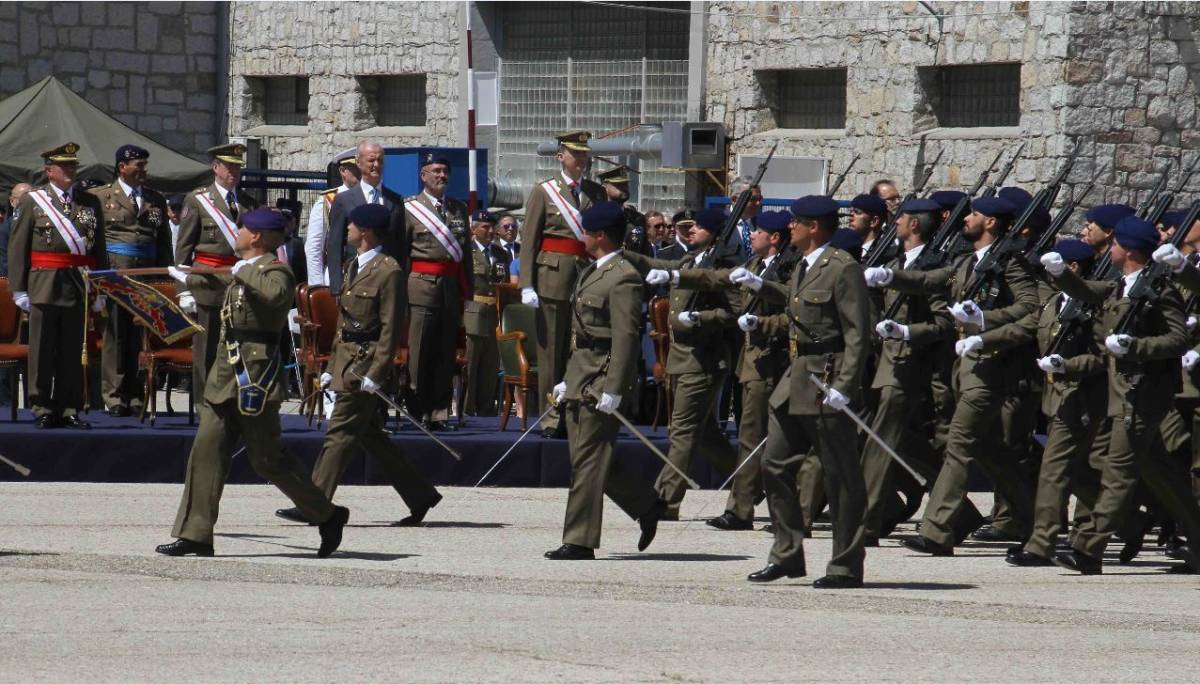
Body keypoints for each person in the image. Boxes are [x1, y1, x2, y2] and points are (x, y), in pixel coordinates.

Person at [157, 207, 349, 557]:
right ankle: (196, 533)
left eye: (242, 228)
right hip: (225, 375)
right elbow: (219, 292)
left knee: (268, 460)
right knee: (206, 452)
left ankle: (327, 514)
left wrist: (242, 272)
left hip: (255, 379)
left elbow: (274, 296)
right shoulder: (241, 271)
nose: (238, 233)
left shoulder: (277, 271)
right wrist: (188, 280)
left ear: (256, 236)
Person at [869, 196, 1039, 556]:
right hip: (965, 370)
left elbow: (1030, 309)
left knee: (958, 446)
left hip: (992, 368)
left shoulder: (1011, 263)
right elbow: (932, 280)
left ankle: (939, 530)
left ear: (991, 222)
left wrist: (984, 322)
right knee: (993, 453)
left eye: (975, 214)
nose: (968, 218)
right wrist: (890, 276)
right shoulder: (966, 260)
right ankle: (1040, 520)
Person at [731, 195, 873, 589]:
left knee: (841, 476)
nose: (788, 227)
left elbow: (857, 333)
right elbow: (799, 308)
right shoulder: (803, 266)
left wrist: (846, 384)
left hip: (827, 378)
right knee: (774, 465)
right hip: (796, 380)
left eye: (796, 222)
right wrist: (765, 288)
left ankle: (845, 564)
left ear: (813, 227)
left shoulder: (842, 268)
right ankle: (787, 553)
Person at [1044, 216, 1200, 573]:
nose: (1109, 249)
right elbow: (1088, 291)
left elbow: (1177, 340)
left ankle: (1089, 548)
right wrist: (1061, 274)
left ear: (1128, 250)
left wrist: (1136, 346)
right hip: (1124, 391)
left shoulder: (1159, 291)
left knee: (1118, 470)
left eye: (1115, 245)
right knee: (1163, 475)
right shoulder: (1122, 287)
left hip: (1143, 393)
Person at [276, 203, 443, 528]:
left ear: (364, 232)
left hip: (364, 366)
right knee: (371, 438)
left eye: (351, 225)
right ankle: (420, 494)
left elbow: (391, 327)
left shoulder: (388, 270)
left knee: (338, 432)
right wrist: (330, 367)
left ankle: (314, 502)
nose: (347, 230)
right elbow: (346, 325)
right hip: (347, 361)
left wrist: (377, 372)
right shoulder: (355, 265)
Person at [544, 201, 667, 560]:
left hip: (602, 378)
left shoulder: (623, 276)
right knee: (593, 459)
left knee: (587, 461)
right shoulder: (591, 270)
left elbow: (626, 337)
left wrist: (615, 388)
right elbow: (580, 334)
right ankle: (647, 504)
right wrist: (567, 379)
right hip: (581, 373)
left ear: (599, 235)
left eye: (585, 230)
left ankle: (579, 540)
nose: (580, 236)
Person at [674, 210, 794, 530]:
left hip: (779, 360)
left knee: (778, 440)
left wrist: (763, 320)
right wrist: (677, 277)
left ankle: (784, 508)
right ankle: (741, 508)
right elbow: (717, 281)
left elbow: (797, 311)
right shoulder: (752, 266)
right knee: (750, 436)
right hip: (754, 362)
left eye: (758, 232)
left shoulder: (789, 269)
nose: (751, 236)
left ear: (775, 239)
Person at [632, 208, 741, 519]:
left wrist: (700, 318)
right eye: (692, 226)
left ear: (717, 235)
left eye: (701, 227)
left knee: (682, 432)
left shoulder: (723, 267)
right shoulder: (690, 260)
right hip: (681, 359)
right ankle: (751, 482)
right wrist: (623, 253)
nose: (692, 231)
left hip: (703, 360)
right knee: (706, 436)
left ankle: (665, 500)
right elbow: (661, 265)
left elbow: (736, 313)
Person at [861, 198, 952, 543]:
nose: (894, 223)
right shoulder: (895, 262)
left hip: (909, 365)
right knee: (901, 442)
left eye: (900, 218)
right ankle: (962, 513)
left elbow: (943, 322)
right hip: (885, 363)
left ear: (914, 224)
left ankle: (867, 521)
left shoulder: (932, 266)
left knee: (880, 442)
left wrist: (907, 332)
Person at [7, 142, 106, 429]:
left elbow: (98, 249)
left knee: (72, 350)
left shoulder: (90, 202)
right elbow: (18, 248)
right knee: (42, 350)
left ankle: (69, 407)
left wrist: (99, 288)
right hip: (43, 284)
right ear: (49, 171)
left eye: (73, 165)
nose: (71, 170)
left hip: (78, 284)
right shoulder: (33, 201)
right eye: (65, 166)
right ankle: (40, 406)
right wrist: (19, 289)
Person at [519, 130, 605, 438]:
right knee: (552, 351)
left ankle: (575, 412)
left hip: (585, 279)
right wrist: (527, 284)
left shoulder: (596, 193)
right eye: (575, 154)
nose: (581, 159)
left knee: (579, 350)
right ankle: (550, 416)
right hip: (552, 279)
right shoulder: (544, 191)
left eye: (584, 154)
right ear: (561, 157)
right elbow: (529, 241)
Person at [91, 144, 171, 417]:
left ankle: (137, 394)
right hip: (115, 273)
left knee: (141, 334)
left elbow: (163, 242)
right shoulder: (100, 198)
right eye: (138, 166)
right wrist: (97, 278)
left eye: (144, 166)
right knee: (115, 334)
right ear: (122, 167)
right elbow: (96, 242)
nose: (143, 171)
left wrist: (164, 278)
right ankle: (114, 396)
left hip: (146, 276)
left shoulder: (155, 199)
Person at [175, 143, 258, 401]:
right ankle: (204, 402)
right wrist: (184, 290)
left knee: (236, 346)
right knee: (207, 348)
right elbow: (183, 249)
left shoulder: (247, 203)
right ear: (215, 167)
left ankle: (230, 399)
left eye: (237, 167)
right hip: (206, 282)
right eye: (229, 166)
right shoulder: (197, 200)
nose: (234, 171)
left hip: (237, 284)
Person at [403, 153, 472, 430]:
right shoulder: (410, 208)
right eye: (436, 171)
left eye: (445, 171)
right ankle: (417, 409)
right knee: (420, 352)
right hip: (420, 287)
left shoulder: (457, 208)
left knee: (445, 352)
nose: (441, 176)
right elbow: (402, 253)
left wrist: (468, 291)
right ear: (423, 175)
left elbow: (465, 254)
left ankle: (439, 412)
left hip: (450, 289)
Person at [325, 141, 401, 296]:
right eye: (371, 160)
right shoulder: (343, 200)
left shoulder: (395, 200)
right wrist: (336, 286)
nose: (376, 165)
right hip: (356, 278)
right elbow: (334, 245)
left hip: (387, 279)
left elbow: (400, 243)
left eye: (380, 160)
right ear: (358, 163)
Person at [463, 210, 510, 417]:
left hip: (494, 314)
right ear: (474, 229)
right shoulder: (467, 252)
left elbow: (505, 283)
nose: (491, 231)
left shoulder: (501, 254)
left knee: (491, 366)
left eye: (493, 227)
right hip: (473, 311)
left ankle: (486, 409)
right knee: (471, 365)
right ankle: (467, 409)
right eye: (485, 227)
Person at [305, 149, 359, 287]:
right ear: (342, 171)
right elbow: (314, 247)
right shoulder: (328, 200)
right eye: (355, 168)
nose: (360, 172)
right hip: (338, 275)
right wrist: (317, 286)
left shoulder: (372, 196)